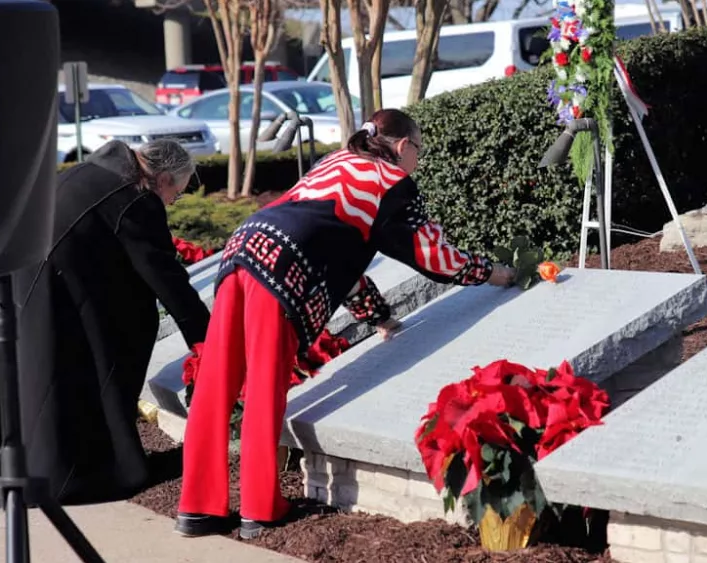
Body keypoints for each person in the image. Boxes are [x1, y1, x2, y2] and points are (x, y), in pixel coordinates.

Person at [176, 109, 517, 539]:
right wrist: (493, 273)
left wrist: (378, 317)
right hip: (282, 270)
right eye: (420, 151)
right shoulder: (391, 182)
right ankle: (259, 509)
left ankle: (197, 507)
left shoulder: (337, 162)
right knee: (265, 384)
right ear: (403, 146)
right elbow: (434, 257)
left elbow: (339, 256)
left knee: (216, 381)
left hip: (244, 248)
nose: (419, 162)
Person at [0, 139, 210, 505]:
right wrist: (206, 337)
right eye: (177, 194)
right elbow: (164, 276)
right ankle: (72, 470)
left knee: (27, 376)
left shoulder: (95, 171)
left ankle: (7, 457)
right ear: (164, 179)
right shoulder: (136, 199)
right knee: (68, 369)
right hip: (47, 280)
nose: (172, 203)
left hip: (17, 272)